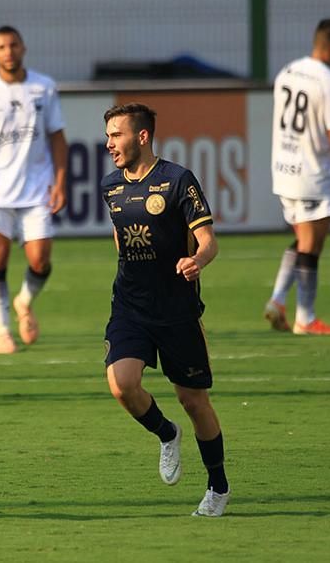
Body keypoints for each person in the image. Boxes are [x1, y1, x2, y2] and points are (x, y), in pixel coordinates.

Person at [101, 103, 230, 517]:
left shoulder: (178, 181)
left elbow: (208, 240)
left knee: (194, 400)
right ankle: (165, 433)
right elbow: (121, 238)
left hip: (176, 310)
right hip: (130, 305)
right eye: (107, 136)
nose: (109, 144)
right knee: (122, 384)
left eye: (116, 135)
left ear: (141, 137)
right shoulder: (110, 185)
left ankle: (218, 486)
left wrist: (198, 261)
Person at [0, 26, 68, 354]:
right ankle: (1, 331)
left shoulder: (43, 87)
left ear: (23, 48)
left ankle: (24, 300)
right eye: (1, 47)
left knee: (40, 258)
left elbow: (58, 138)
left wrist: (61, 182)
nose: (8, 52)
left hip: (36, 187)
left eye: (13, 45)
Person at [264, 18, 330, 335]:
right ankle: (305, 318)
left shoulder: (287, 71)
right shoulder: (329, 83)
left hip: (284, 169)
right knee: (312, 243)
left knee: (303, 240)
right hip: (311, 174)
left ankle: (278, 301)